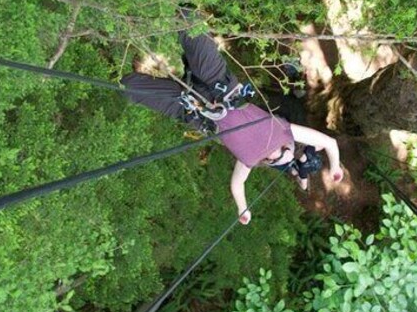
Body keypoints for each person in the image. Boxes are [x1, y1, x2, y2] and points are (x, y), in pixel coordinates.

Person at [122, 31, 344, 225]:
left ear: (268, 162)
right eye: (284, 153)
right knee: (191, 27)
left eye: (275, 160)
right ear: (288, 145)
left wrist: (243, 208)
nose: (276, 155)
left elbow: (238, 185)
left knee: (130, 88)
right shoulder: (285, 131)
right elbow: (328, 142)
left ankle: (122, 78)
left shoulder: (248, 160)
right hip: (220, 86)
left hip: (197, 111)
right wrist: (334, 167)